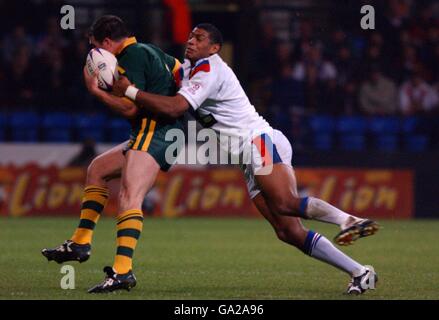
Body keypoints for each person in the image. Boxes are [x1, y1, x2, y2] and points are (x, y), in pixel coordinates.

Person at [112, 23, 380, 294]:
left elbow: (176, 107)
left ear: (214, 48)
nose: (191, 40)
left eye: (200, 38)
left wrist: (130, 91)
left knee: (285, 201)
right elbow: (161, 64)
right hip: (246, 155)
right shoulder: (189, 69)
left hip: (259, 140)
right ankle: (360, 272)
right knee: (288, 232)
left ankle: (349, 220)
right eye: (191, 35)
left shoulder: (209, 70)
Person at [41, 15, 184, 293]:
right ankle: (81, 242)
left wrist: (96, 92)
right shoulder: (151, 50)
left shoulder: (131, 56)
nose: (93, 55)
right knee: (97, 169)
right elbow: (179, 72)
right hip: (157, 131)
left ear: (107, 42)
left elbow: (130, 108)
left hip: (155, 132)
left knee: (129, 196)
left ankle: (122, 271)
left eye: (95, 47)